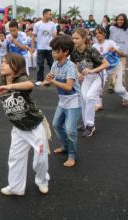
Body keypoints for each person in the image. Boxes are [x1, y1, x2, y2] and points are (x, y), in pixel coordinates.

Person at [0, 53, 51, 196]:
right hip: (18, 129)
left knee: (41, 160)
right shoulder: (0, 85)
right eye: (1, 62)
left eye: (5, 63)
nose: (1, 64)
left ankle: (42, 181)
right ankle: (15, 187)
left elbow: (29, 84)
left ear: (15, 66)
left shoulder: (21, 79)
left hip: (35, 127)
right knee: (15, 159)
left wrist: (10, 86)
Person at [42, 35, 81, 167]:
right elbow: (48, 83)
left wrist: (52, 81)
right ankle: (65, 146)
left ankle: (72, 155)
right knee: (56, 125)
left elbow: (69, 86)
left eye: (56, 51)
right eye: (53, 50)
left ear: (65, 52)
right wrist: (47, 81)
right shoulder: (55, 64)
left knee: (70, 130)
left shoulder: (70, 66)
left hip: (74, 101)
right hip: (63, 101)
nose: (53, 53)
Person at [70, 28, 109, 137]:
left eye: (77, 38)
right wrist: (78, 73)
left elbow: (106, 64)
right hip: (87, 76)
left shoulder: (91, 50)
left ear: (83, 39)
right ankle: (85, 121)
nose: (74, 40)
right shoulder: (74, 51)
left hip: (98, 75)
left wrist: (92, 70)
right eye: (73, 38)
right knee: (83, 97)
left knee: (90, 97)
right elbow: (74, 64)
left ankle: (90, 125)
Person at [92, 26, 128, 108]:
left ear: (105, 34)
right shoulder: (94, 46)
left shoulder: (110, 42)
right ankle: (98, 104)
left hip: (116, 68)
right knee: (98, 87)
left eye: (100, 32)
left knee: (118, 89)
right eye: (96, 33)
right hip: (103, 69)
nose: (98, 34)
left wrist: (115, 50)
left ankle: (126, 96)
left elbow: (122, 54)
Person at [32, 9, 57, 85]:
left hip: (49, 48)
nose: (51, 15)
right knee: (40, 65)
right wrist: (32, 47)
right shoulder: (37, 24)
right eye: (50, 14)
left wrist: (55, 46)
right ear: (44, 14)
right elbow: (33, 36)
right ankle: (40, 80)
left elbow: (54, 35)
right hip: (40, 48)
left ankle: (55, 78)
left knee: (52, 64)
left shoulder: (52, 24)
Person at [109, 14, 128, 86]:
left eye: (122, 20)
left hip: (123, 54)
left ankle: (122, 88)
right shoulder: (112, 28)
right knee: (113, 70)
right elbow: (107, 38)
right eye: (118, 19)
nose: (120, 21)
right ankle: (111, 85)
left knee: (121, 72)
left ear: (125, 20)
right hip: (112, 53)